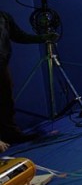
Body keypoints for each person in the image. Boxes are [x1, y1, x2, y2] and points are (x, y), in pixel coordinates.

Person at [1, 10, 57, 145]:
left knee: (6, 100)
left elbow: (19, 36)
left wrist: (43, 38)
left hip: (2, 65)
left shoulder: (4, 16)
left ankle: (11, 134)